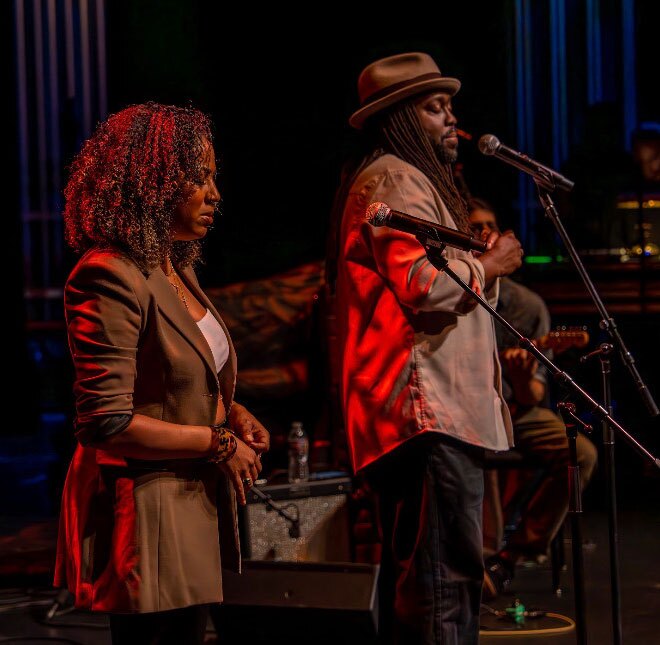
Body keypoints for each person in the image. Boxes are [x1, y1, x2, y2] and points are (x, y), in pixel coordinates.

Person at [53, 102, 270, 645]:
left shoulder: (176, 266)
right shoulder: (108, 275)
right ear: (151, 182)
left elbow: (187, 377)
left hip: (189, 499)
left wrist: (233, 412)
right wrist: (218, 443)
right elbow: (106, 422)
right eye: (199, 178)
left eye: (213, 177)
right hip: (146, 511)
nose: (214, 194)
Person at [327, 52, 523, 643]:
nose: (451, 121)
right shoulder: (393, 179)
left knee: (438, 580)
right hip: (423, 415)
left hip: (433, 416)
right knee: (441, 583)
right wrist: (487, 266)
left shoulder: (410, 182)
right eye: (435, 109)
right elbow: (427, 287)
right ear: (403, 120)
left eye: (449, 107)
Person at [467, 197, 597, 598]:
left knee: (581, 454)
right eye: (474, 228)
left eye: (490, 226)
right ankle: (475, 562)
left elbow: (535, 393)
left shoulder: (526, 306)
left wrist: (522, 377)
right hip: (465, 413)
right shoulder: (453, 290)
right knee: (476, 445)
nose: (484, 235)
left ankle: (511, 556)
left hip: (515, 410)